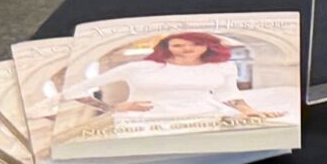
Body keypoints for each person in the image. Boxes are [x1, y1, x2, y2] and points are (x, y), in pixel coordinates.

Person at [64, 31, 267, 122]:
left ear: (207, 46)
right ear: (166, 47)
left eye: (196, 44)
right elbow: (74, 90)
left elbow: (228, 93)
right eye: (178, 44)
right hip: (143, 122)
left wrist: (248, 110)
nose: (187, 49)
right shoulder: (140, 67)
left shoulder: (223, 67)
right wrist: (112, 107)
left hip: (205, 118)